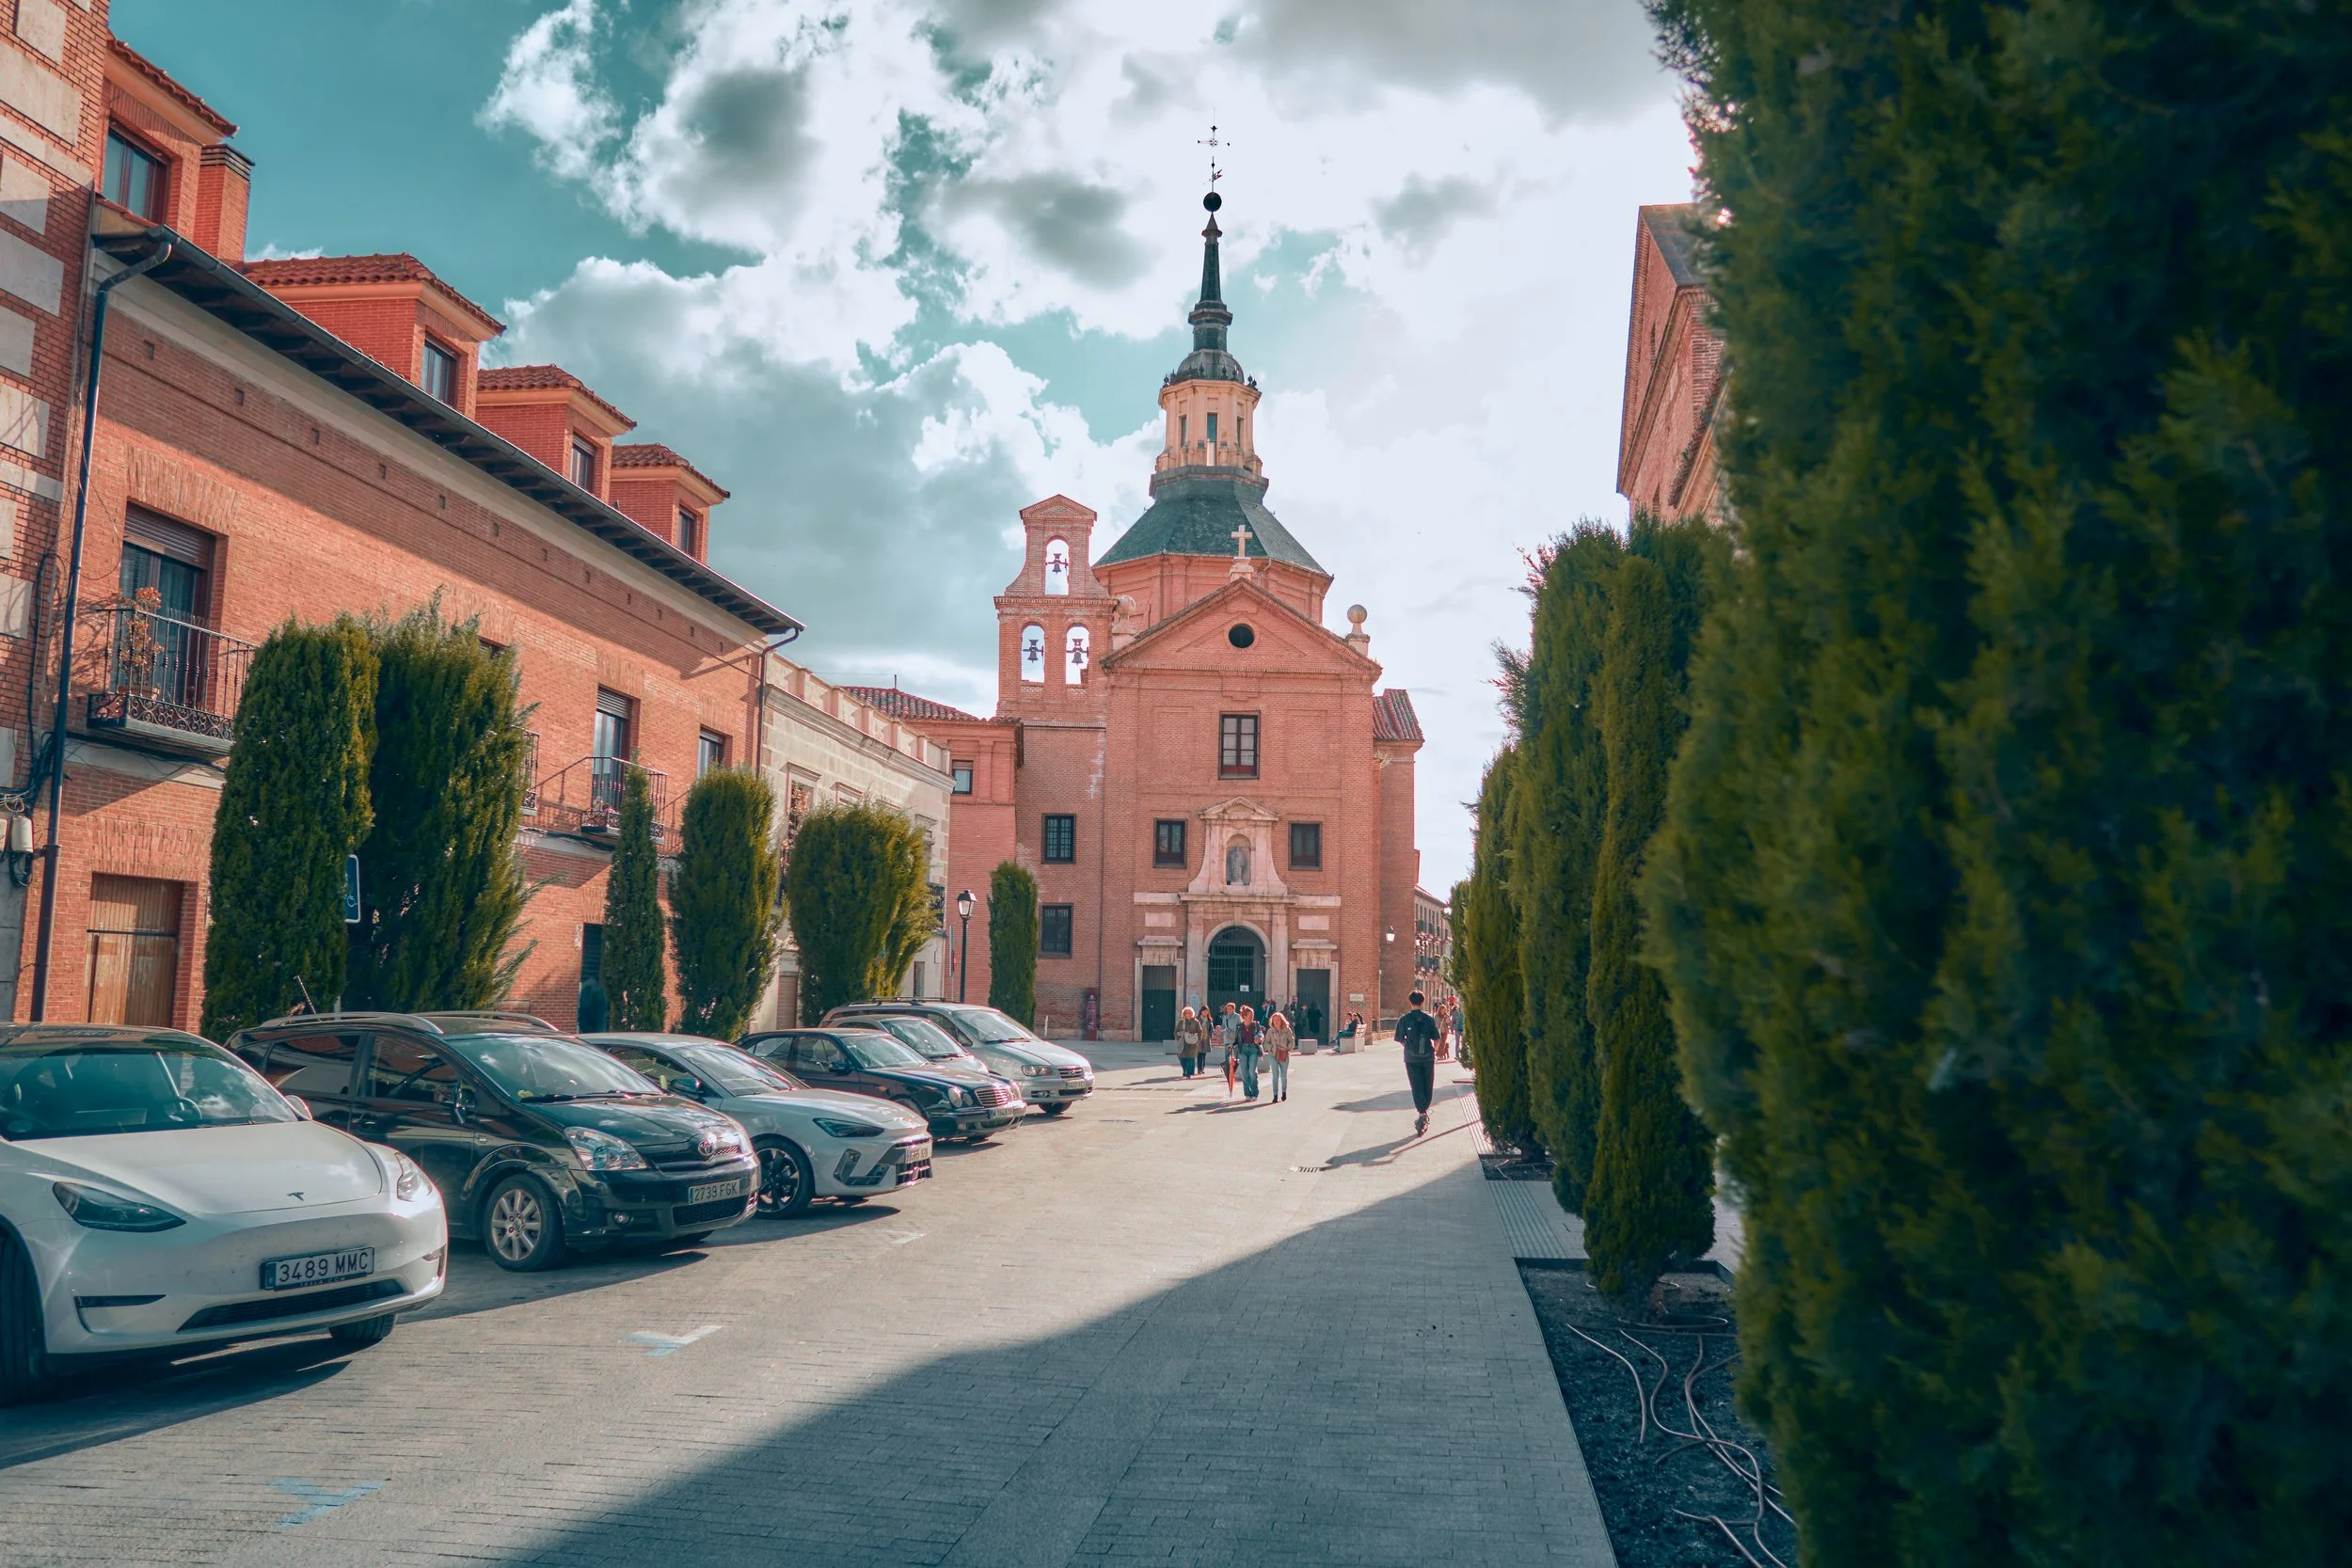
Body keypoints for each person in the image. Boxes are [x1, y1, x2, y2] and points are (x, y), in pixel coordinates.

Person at [1396, 990, 1441, 1136]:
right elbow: (1437, 1039)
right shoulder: (1429, 1019)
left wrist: (1408, 1047)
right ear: (1422, 1002)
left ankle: (1421, 1112)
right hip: (1428, 1057)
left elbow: (1400, 1038)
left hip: (1411, 1058)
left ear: (1410, 1002)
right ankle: (1424, 1111)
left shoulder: (1404, 1019)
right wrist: (1434, 1050)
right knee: (1428, 1084)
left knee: (1416, 1085)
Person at [1263, 1009, 1295, 1102]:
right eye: (1274, 1020)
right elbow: (1266, 1043)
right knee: (1275, 1075)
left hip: (1284, 1055)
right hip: (1273, 1055)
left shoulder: (1287, 1030)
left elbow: (1291, 1041)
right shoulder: (1270, 1031)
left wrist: (1288, 1049)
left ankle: (1284, 1092)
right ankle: (1275, 1095)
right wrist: (1272, 1049)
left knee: (1283, 1076)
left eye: (1278, 1020)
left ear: (1282, 1020)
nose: (1276, 1022)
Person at [1234, 1006, 1265, 1101]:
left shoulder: (1256, 1024)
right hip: (1242, 1049)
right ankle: (1247, 1093)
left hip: (1253, 1049)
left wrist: (1259, 1037)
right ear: (1244, 1016)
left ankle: (1254, 1093)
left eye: (1253, 1014)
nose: (1252, 1016)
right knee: (1244, 1072)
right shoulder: (1239, 1026)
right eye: (1250, 1015)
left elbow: (1261, 1033)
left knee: (1252, 1071)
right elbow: (1237, 1039)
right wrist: (1232, 1045)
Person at [1176, 1006, 1207, 1078]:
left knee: (1191, 1058)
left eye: (1191, 1013)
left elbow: (1200, 1031)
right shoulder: (1181, 1022)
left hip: (1193, 1043)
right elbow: (1176, 1031)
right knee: (1182, 1057)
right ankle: (1185, 1070)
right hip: (1183, 1043)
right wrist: (1178, 1039)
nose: (1189, 1014)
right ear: (1184, 1014)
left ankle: (1189, 1074)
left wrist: (1198, 1040)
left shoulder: (1196, 1022)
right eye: (1187, 1013)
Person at [1219, 1002, 1242, 1094]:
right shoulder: (1225, 1017)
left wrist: (1235, 1032)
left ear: (1233, 1009)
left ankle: (1234, 1071)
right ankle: (1228, 1073)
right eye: (1227, 1009)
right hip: (1227, 1038)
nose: (1229, 1010)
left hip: (1234, 1039)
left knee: (1235, 1057)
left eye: (1230, 1009)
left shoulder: (1237, 1017)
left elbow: (1240, 1027)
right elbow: (1223, 1026)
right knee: (1227, 1057)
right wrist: (1222, 1029)